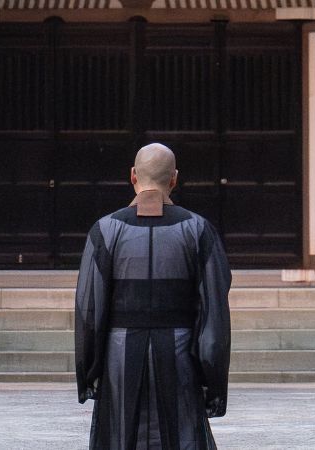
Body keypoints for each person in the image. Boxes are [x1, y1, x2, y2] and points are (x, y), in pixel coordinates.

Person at [75, 143, 232, 450]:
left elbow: (88, 310)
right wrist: (212, 379)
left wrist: (90, 371)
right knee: (181, 435)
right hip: (179, 352)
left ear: (133, 176)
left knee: (121, 437)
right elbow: (213, 310)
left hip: (119, 354)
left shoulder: (105, 231)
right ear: (174, 178)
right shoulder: (198, 230)